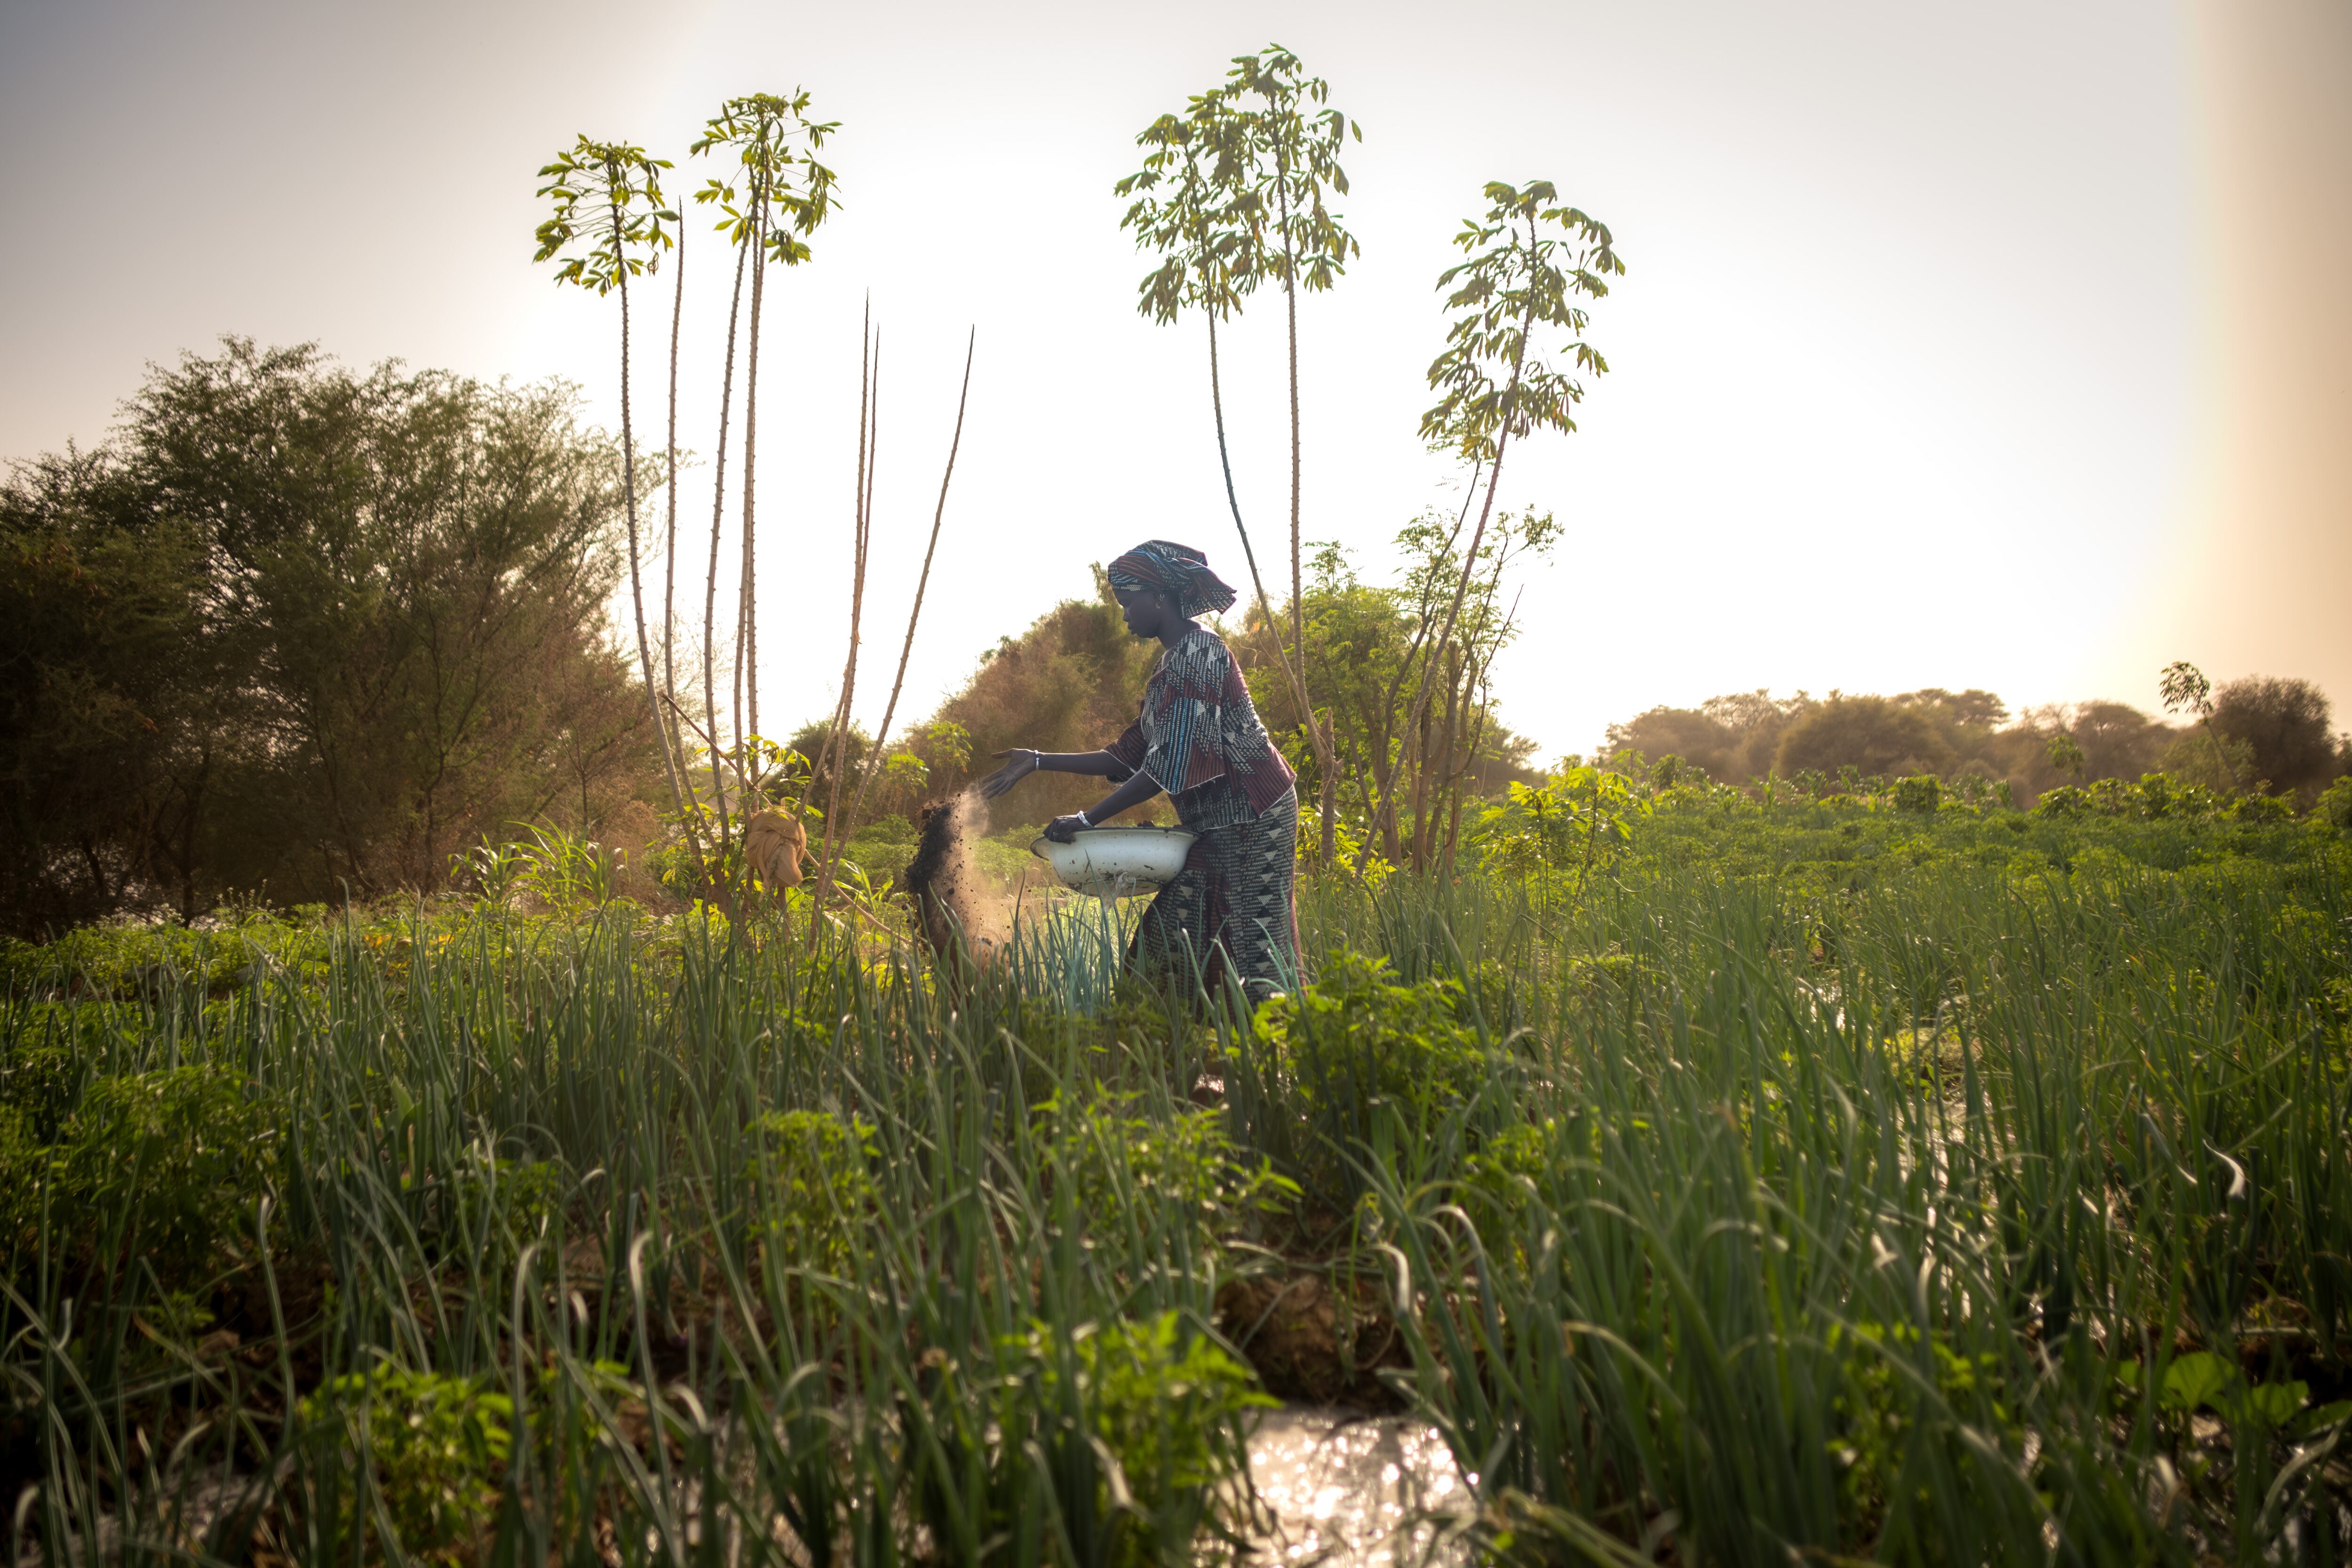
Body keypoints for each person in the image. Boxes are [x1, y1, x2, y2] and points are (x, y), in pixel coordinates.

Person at [980, 540, 1300, 1002]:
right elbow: (1124, 756)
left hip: (1253, 815)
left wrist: (1086, 821)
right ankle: (1171, 1041)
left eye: (1128, 604)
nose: (1126, 616)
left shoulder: (1200, 657)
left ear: (1157, 596)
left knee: (1253, 943)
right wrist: (1035, 760)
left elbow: (1162, 769)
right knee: (1173, 930)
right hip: (1210, 823)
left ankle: (1267, 1048)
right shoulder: (1169, 668)